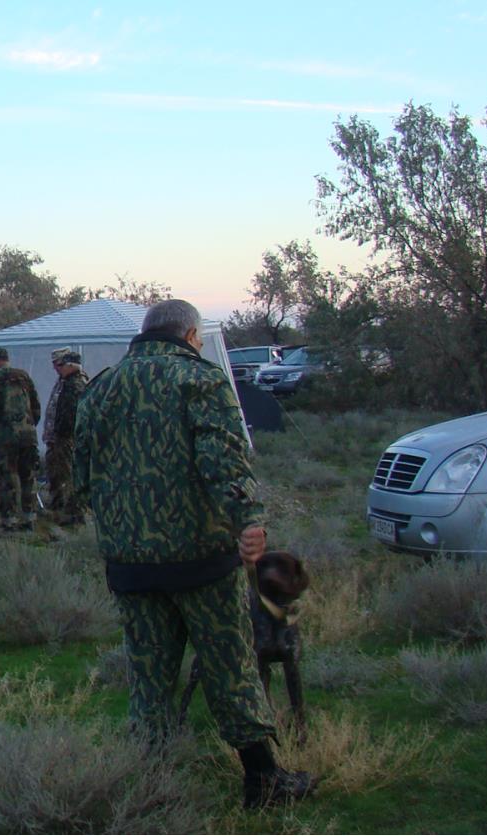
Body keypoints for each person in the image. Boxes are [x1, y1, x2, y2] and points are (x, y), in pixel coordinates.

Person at [73, 299, 314, 810]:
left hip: (130, 564)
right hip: (201, 560)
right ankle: (263, 780)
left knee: (149, 679)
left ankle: (148, 790)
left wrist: (123, 525)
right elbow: (222, 458)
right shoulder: (200, 379)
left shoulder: (101, 389)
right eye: (200, 339)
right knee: (231, 667)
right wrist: (249, 519)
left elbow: (82, 475)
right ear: (189, 335)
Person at [0, 347, 42, 530]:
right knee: (28, 476)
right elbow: (36, 406)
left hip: (6, 435)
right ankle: (30, 518)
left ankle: (9, 520)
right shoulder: (24, 376)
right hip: (28, 435)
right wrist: (29, 425)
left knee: (8, 477)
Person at [43, 347, 90, 525]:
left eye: (60, 365)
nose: (57, 368)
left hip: (67, 438)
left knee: (67, 474)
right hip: (57, 438)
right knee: (56, 473)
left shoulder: (76, 384)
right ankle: (58, 506)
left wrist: (64, 434)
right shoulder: (64, 382)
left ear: (71, 365)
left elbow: (73, 414)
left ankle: (72, 513)